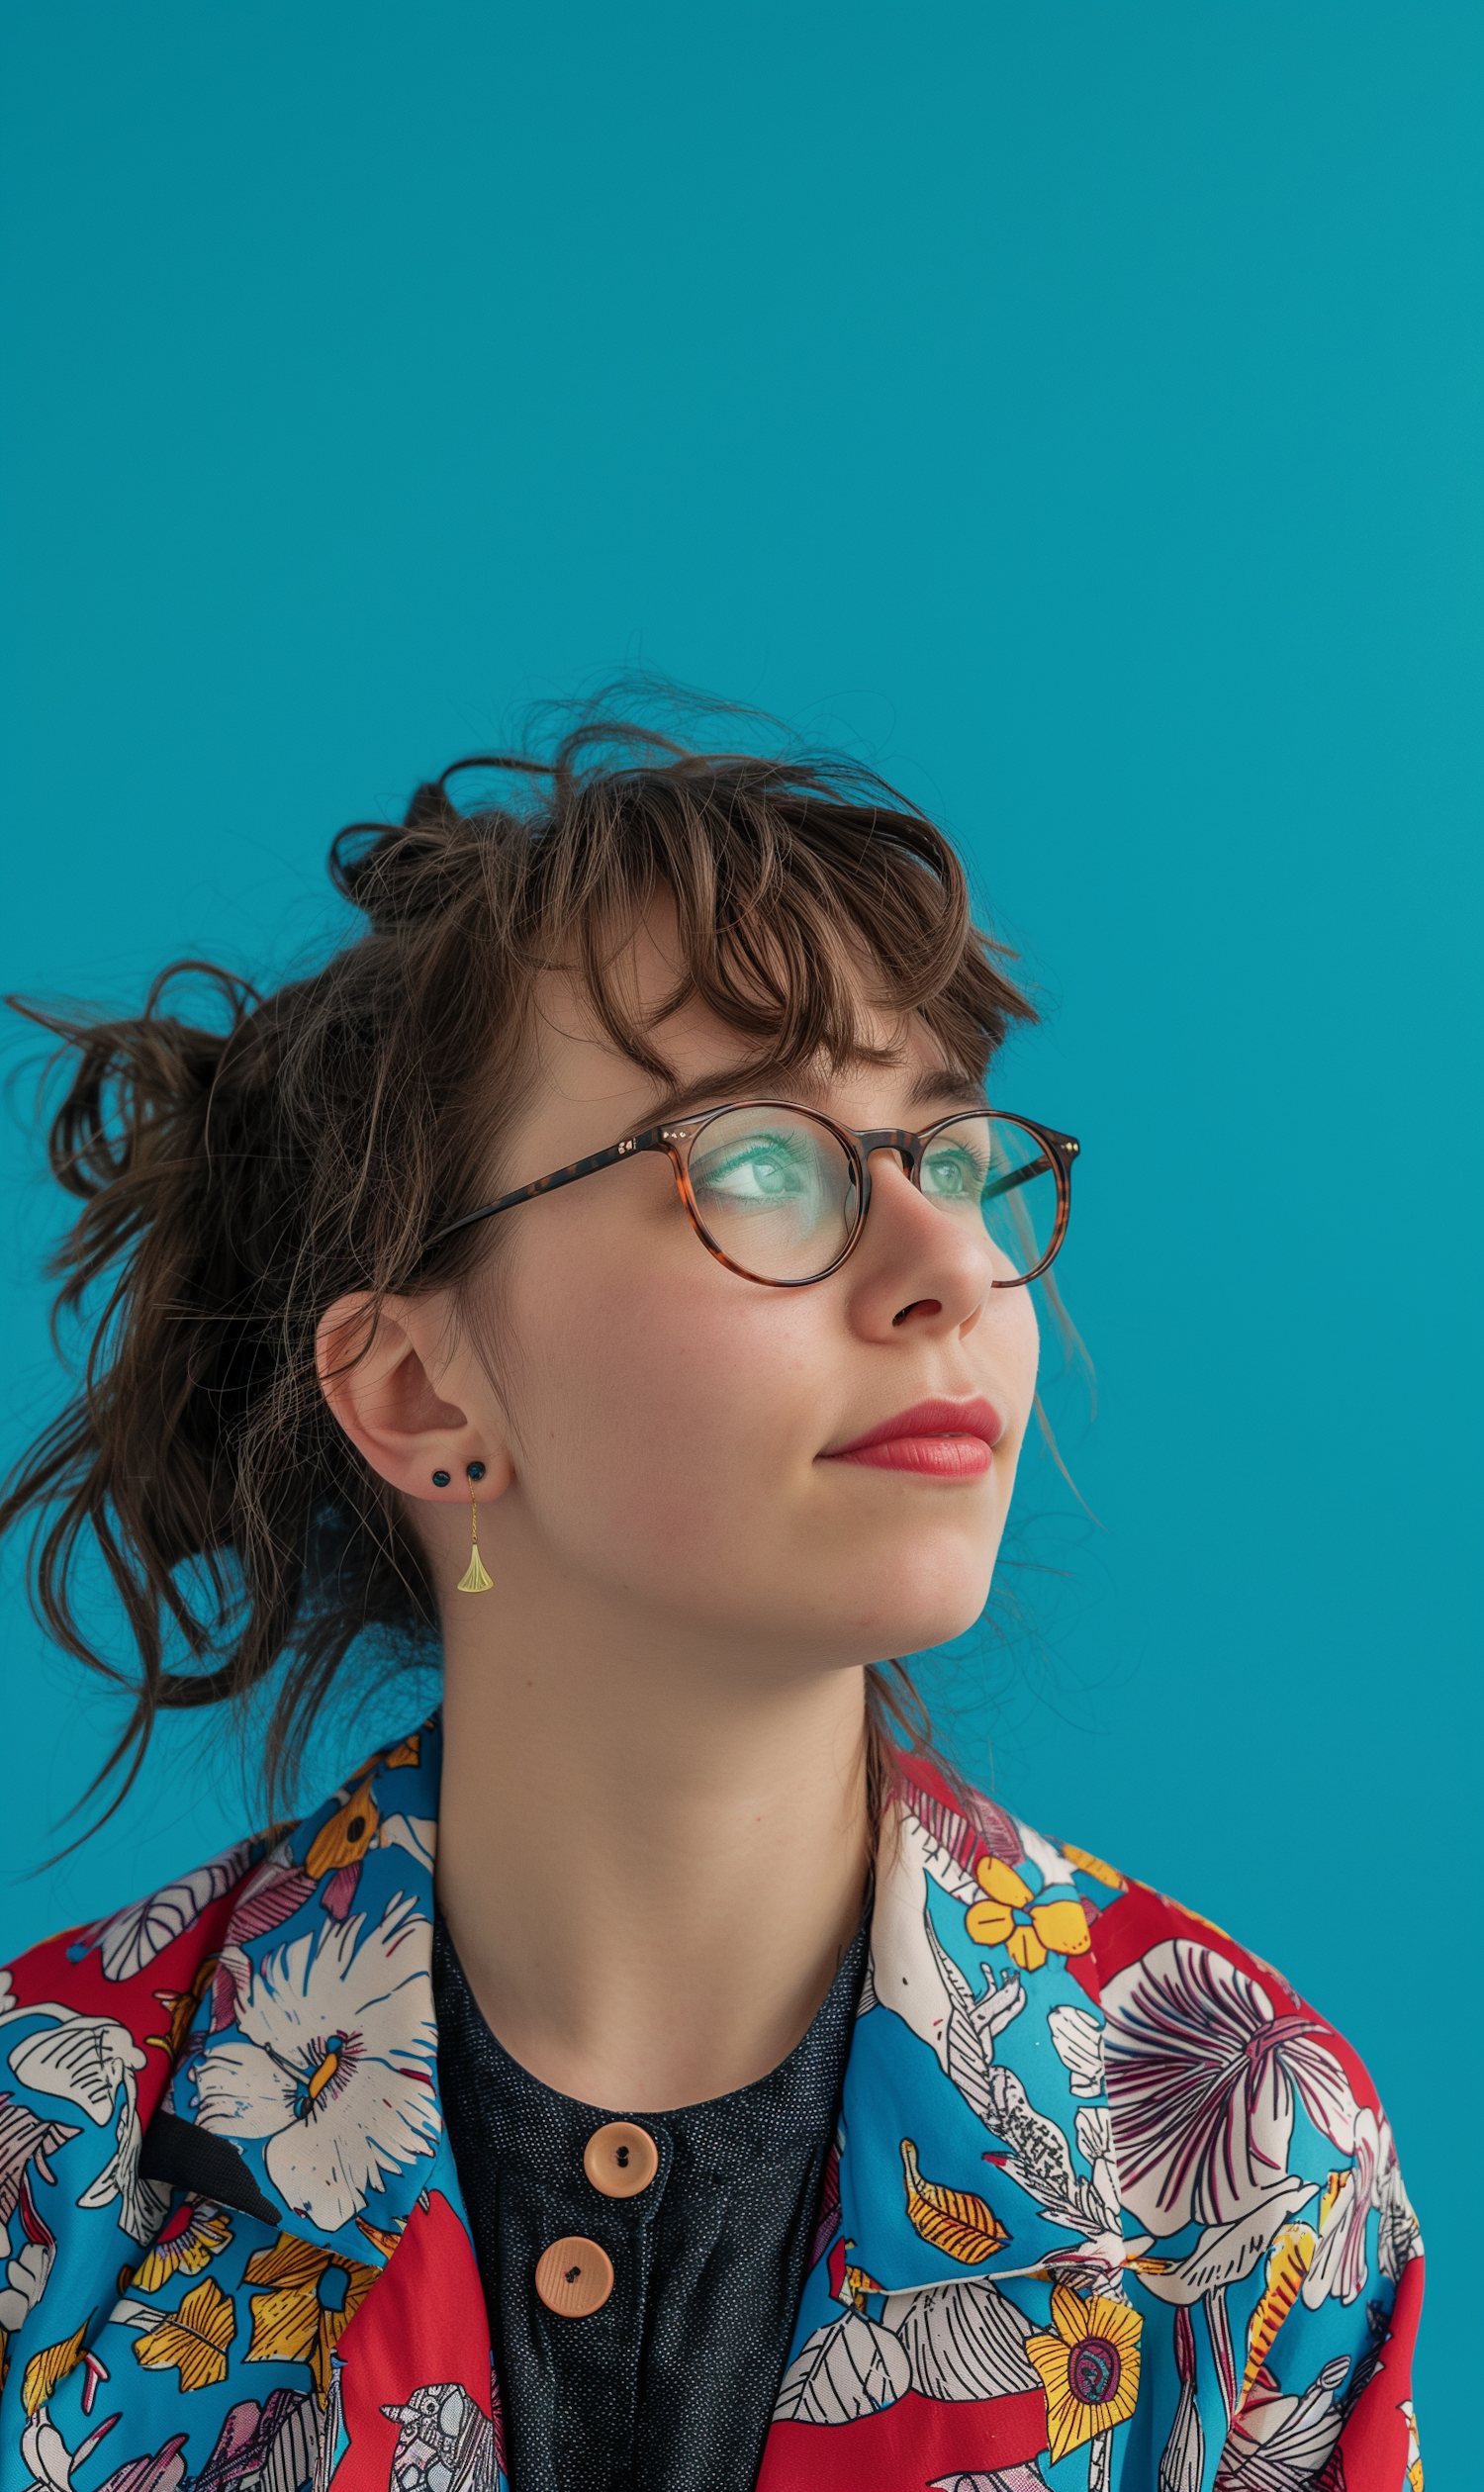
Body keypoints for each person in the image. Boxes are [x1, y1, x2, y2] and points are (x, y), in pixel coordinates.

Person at [0, 715, 1422, 2492]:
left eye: (959, 1158)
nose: (947, 1268)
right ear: (424, 1396)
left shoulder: (1248, 2165)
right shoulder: (45, 2162)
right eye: (759, 1161)